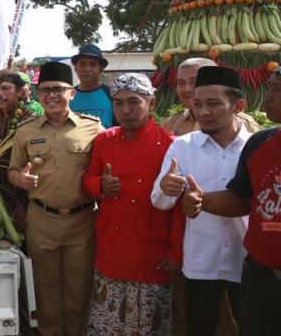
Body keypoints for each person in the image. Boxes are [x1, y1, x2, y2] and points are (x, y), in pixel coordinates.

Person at [180, 66, 281, 335]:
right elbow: (242, 199)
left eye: (276, 90)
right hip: (261, 279)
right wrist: (201, 201)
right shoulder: (261, 143)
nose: (268, 97)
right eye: (270, 87)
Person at [151, 66, 250, 336]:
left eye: (214, 104)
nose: (204, 112)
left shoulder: (255, 147)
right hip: (201, 261)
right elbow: (159, 201)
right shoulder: (182, 147)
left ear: (238, 105)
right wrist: (166, 187)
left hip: (247, 260)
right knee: (199, 327)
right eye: (197, 104)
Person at [82, 73, 182, 335]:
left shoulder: (170, 145)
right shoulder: (105, 139)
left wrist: (176, 250)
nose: (125, 110)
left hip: (151, 251)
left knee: (149, 326)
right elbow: (88, 180)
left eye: (134, 102)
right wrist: (100, 186)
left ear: (151, 103)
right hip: (112, 249)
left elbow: (180, 206)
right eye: (118, 103)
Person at [8, 61, 103, 336]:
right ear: (38, 95)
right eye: (45, 90)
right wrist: (20, 179)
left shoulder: (93, 129)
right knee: (46, 293)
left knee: (79, 291)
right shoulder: (26, 131)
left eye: (59, 90)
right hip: (42, 220)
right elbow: (13, 171)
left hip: (81, 221)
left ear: (72, 93)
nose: (51, 95)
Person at [0, 69, 42, 233]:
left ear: (19, 92)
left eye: (5, 88)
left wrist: (25, 204)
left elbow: (36, 160)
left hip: (21, 190)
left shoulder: (30, 116)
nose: (0, 94)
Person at [161, 57, 260, 135]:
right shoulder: (170, 124)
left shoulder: (243, 124)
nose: (187, 89)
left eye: (194, 82)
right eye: (181, 83)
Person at [70, 44, 116, 128]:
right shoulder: (68, 95)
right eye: (83, 64)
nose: (87, 69)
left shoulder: (111, 94)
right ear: (76, 68)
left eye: (93, 64)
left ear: (101, 69)